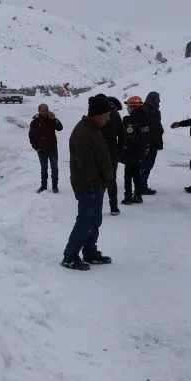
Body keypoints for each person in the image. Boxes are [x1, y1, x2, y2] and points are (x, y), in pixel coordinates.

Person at [62, 95, 114, 271]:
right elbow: (85, 165)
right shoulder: (83, 132)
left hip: (95, 185)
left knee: (94, 220)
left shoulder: (92, 128)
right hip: (88, 185)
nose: (109, 118)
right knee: (86, 220)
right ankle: (70, 256)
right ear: (98, 114)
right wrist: (97, 183)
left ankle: (90, 252)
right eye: (107, 115)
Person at [119, 95, 150, 205]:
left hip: (131, 150)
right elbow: (147, 134)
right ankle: (138, 195)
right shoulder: (145, 117)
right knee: (137, 173)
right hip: (140, 150)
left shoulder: (130, 120)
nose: (127, 108)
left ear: (132, 106)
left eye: (128, 106)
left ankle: (128, 197)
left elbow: (129, 135)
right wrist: (146, 146)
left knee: (128, 174)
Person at [99, 96, 126, 214]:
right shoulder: (115, 115)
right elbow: (122, 135)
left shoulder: (95, 114)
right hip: (111, 151)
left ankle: (97, 206)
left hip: (99, 151)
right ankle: (113, 207)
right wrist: (119, 152)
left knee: (98, 180)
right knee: (111, 180)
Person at [29, 103, 64, 193]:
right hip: (41, 149)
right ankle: (43, 186)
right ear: (39, 111)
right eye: (43, 110)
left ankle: (55, 187)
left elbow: (60, 128)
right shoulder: (35, 122)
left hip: (52, 147)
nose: (44, 112)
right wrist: (35, 147)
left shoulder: (52, 119)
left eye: (46, 110)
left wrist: (55, 119)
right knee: (44, 168)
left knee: (54, 168)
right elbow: (31, 136)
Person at [138, 91, 164, 195]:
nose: (159, 101)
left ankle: (142, 185)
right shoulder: (145, 110)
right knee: (145, 165)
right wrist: (146, 143)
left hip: (153, 142)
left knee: (148, 165)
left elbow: (156, 126)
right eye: (157, 99)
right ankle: (141, 186)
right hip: (148, 143)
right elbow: (145, 128)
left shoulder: (154, 110)